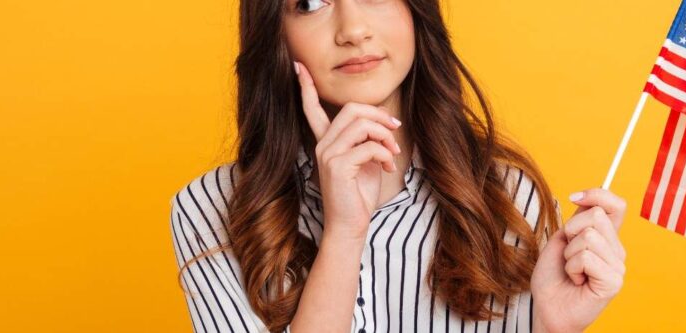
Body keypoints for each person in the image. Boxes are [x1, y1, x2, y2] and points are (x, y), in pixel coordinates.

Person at [169, 0, 628, 332]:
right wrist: (345, 233)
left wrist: (554, 328)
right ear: (274, 29)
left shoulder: (508, 197)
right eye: (310, 3)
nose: (352, 29)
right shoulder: (210, 209)